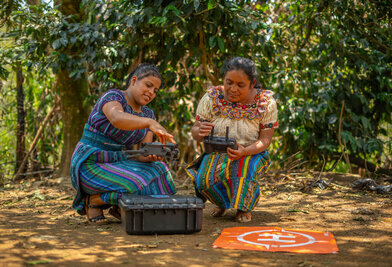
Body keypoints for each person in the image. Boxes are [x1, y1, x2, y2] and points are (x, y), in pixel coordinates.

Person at [70, 63, 177, 225]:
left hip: (119, 164)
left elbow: (142, 154)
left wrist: (151, 156)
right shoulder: (113, 97)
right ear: (134, 81)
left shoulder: (148, 113)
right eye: (148, 85)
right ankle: (94, 200)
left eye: (155, 91)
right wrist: (149, 123)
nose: (151, 92)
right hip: (91, 163)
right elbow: (116, 118)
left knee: (162, 173)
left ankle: (118, 207)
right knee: (136, 181)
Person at [186, 57, 278, 223]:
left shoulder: (265, 102)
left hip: (251, 153)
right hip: (217, 152)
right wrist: (199, 131)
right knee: (204, 182)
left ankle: (243, 207)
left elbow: (265, 141)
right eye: (229, 82)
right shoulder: (212, 98)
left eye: (240, 85)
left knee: (243, 172)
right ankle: (222, 203)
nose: (233, 89)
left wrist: (245, 151)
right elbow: (195, 130)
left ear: (252, 83)